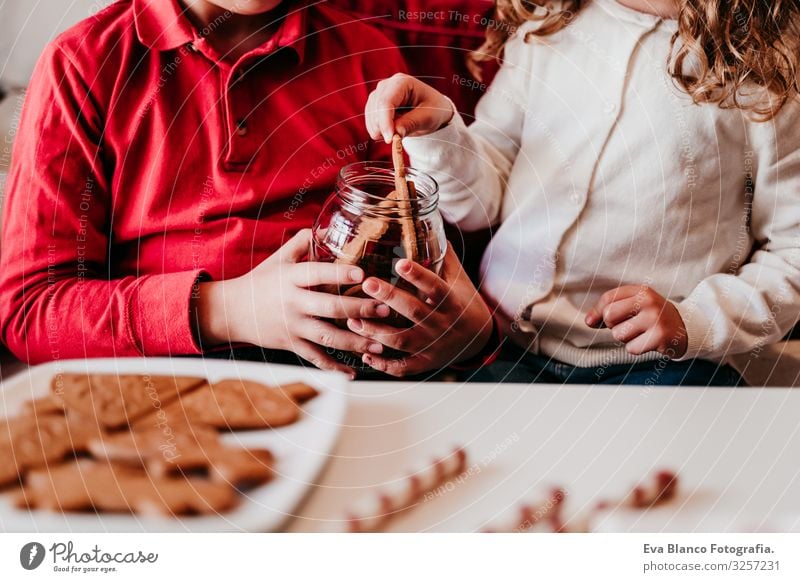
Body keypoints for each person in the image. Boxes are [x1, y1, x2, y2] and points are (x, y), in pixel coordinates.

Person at [358, 0, 800, 385]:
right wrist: (439, 132)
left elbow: (792, 254)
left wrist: (694, 322)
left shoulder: (769, 68)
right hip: (506, 344)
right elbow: (478, 204)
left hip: (666, 366)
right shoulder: (544, 27)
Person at [0, 0, 411, 377]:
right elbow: (32, 310)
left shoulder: (369, 58)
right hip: (153, 378)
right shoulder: (81, 64)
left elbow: (409, 248)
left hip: (344, 375)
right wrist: (229, 310)